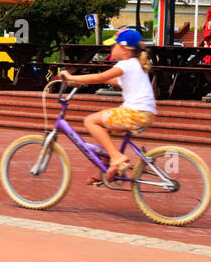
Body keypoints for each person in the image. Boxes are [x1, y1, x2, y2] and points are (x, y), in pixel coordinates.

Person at [61, 27, 157, 181]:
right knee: (104, 131)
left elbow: (100, 77)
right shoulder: (135, 65)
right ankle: (102, 172)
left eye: (114, 45)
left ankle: (116, 157)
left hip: (134, 112)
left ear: (125, 49)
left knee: (90, 121)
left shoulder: (125, 65)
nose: (111, 48)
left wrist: (71, 77)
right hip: (145, 113)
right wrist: (85, 79)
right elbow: (112, 80)